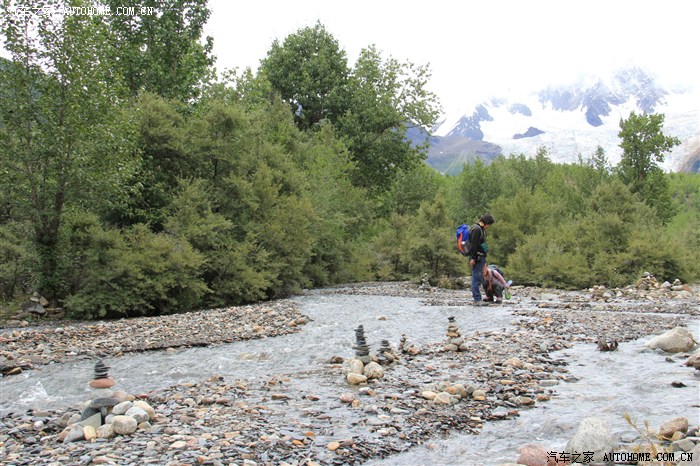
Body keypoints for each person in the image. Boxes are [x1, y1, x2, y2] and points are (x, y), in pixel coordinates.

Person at [468, 214, 495, 305]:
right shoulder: (477, 230)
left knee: (479, 278)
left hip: (480, 257)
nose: (489, 227)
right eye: (489, 224)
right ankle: (477, 300)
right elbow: (474, 245)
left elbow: (480, 244)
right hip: (477, 257)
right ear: (486, 223)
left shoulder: (479, 229)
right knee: (476, 278)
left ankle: (478, 299)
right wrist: (473, 258)